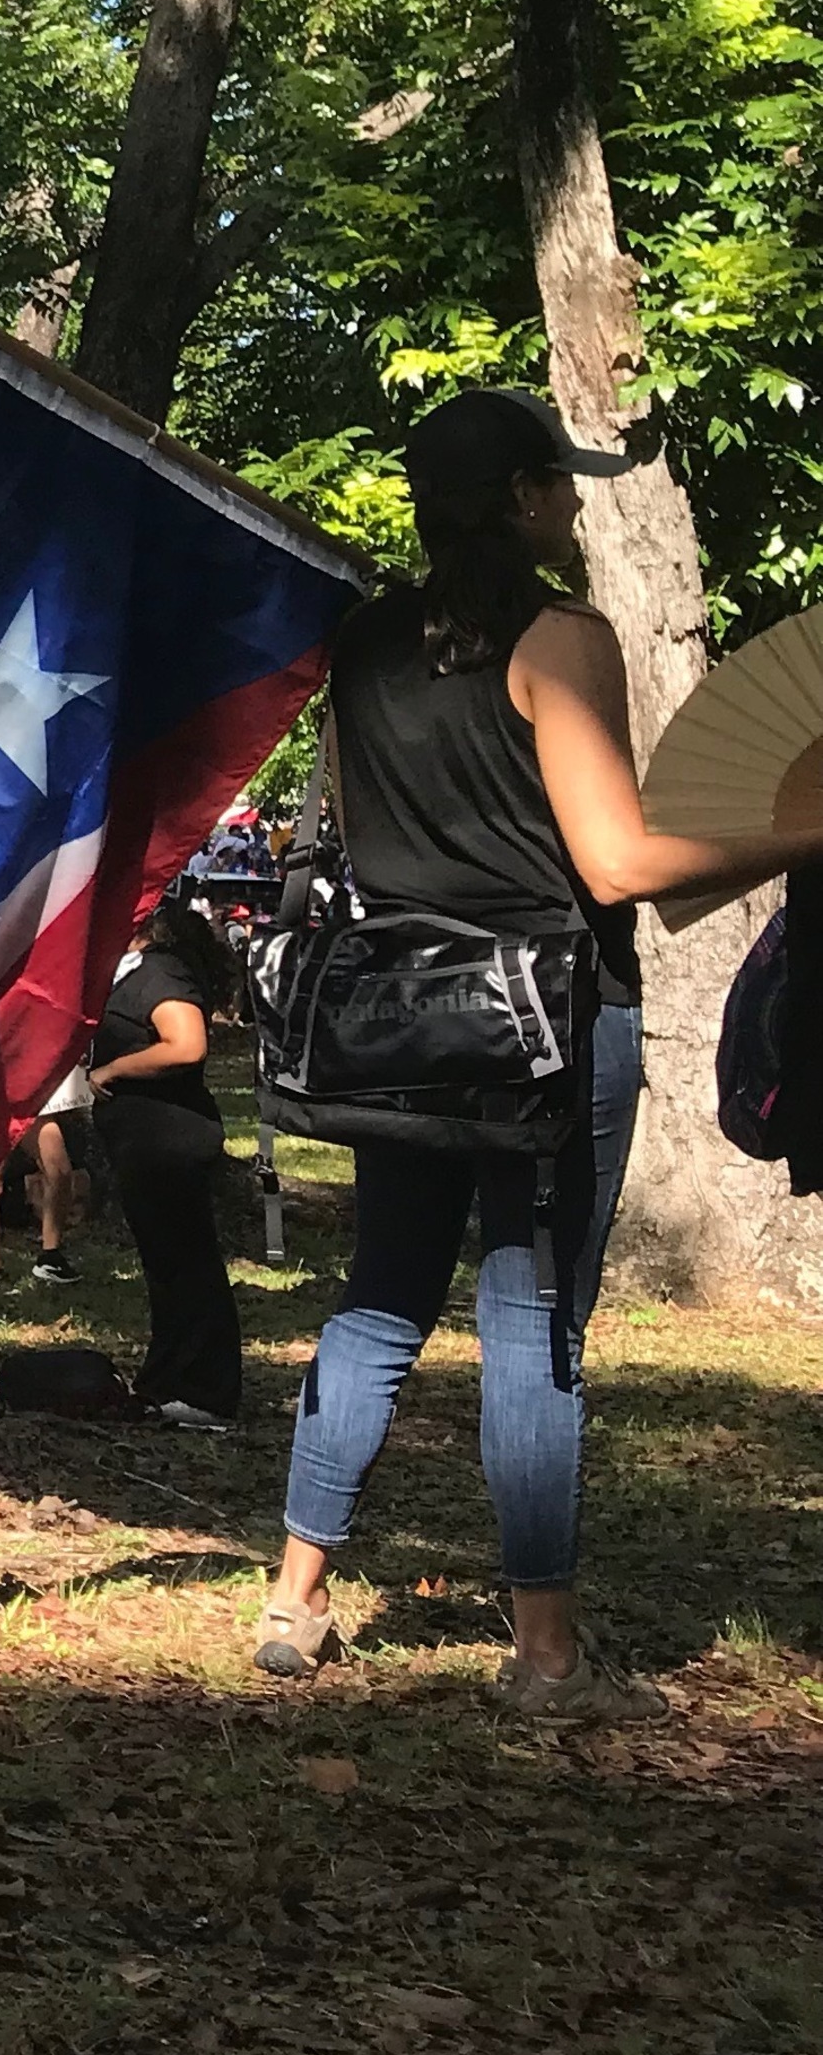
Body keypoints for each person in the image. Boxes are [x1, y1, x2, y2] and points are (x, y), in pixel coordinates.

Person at [262, 390, 823, 1715]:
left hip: (401, 1020)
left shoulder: (361, 646)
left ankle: (294, 1598)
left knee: (380, 1295)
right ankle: (546, 1653)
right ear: (518, 499)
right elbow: (617, 860)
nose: (574, 505)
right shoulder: (560, 636)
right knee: (534, 1317)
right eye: (558, 487)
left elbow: (366, 832)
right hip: (551, 1022)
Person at [89, 887, 243, 1428]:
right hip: (141, 1143)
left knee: (188, 1266)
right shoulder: (132, 974)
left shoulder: (161, 974)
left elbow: (186, 1044)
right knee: (167, 1268)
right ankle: (168, 1377)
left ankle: (206, 1389)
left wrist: (112, 1070)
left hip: (168, 1141)